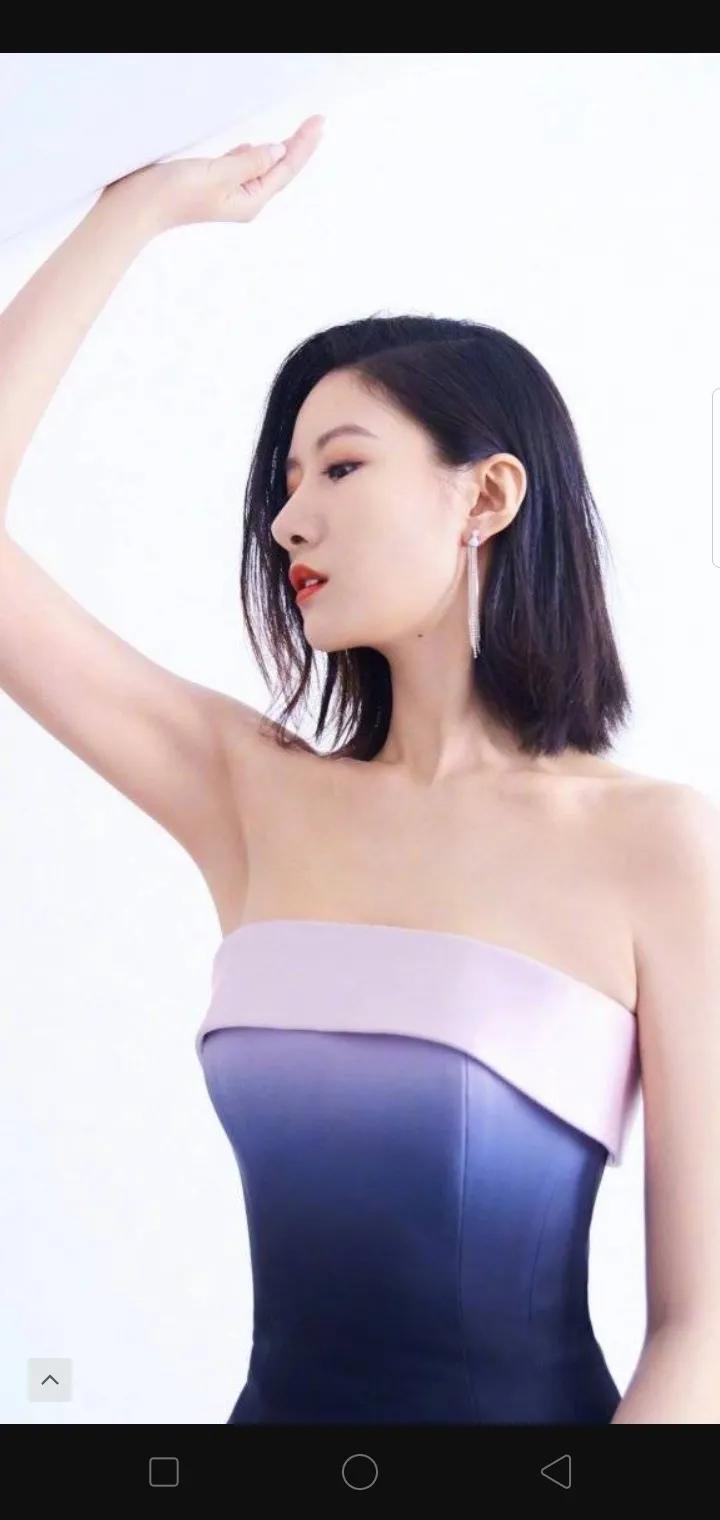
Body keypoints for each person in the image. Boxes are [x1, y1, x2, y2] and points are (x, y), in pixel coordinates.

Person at [2, 114, 719, 1425]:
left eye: (340, 467)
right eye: (285, 483)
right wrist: (133, 213)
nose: (288, 520)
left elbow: (702, 1331)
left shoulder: (654, 845)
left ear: (485, 498)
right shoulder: (249, 795)